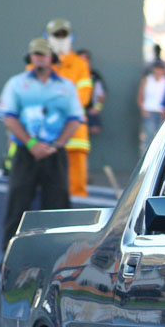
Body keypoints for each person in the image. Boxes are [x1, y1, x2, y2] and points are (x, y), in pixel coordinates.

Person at [0, 37, 83, 254]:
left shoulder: (66, 86)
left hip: (55, 153)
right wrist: (32, 143)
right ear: (30, 57)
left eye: (43, 55)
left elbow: (75, 119)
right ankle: (9, 255)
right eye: (36, 54)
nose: (39, 59)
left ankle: (57, 256)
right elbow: (9, 118)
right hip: (26, 153)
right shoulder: (17, 84)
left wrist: (57, 144)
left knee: (58, 207)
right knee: (18, 203)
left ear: (52, 58)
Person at [45, 18, 92, 197]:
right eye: (56, 34)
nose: (60, 38)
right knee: (47, 187)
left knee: (77, 187)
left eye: (63, 34)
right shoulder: (39, 62)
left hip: (74, 135)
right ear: (48, 37)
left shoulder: (80, 64)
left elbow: (84, 97)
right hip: (46, 135)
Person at [138, 60, 165, 153]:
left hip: (161, 112)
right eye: (157, 68)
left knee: (161, 137)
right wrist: (143, 109)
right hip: (149, 111)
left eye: (161, 69)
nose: (158, 71)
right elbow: (140, 96)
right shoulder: (147, 80)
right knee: (148, 137)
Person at [76, 49, 106, 136]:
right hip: (73, 109)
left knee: (94, 129)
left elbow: (101, 95)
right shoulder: (70, 74)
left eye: (86, 60)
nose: (84, 63)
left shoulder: (94, 75)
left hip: (88, 109)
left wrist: (97, 108)